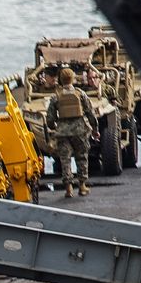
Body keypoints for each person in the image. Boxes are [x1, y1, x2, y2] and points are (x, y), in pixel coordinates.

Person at [46, 67, 98, 198]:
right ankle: (82, 186)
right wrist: (95, 129)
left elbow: (50, 118)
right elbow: (90, 112)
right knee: (82, 157)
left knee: (65, 160)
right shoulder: (80, 94)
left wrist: (54, 126)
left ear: (60, 80)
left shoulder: (56, 96)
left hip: (63, 133)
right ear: (73, 78)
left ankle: (68, 188)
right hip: (80, 131)